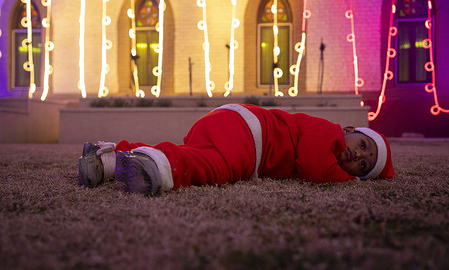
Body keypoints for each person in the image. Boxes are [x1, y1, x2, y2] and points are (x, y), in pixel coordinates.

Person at [78, 103, 395, 196]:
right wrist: (349, 180)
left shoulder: (331, 145)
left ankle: (109, 158)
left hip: (230, 124)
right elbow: (315, 167)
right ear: (351, 131)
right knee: (220, 168)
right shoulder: (328, 133)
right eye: (364, 145)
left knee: (197, 155)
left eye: (364, 166)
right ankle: (160, 169)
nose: (359, 156)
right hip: (248, 132)